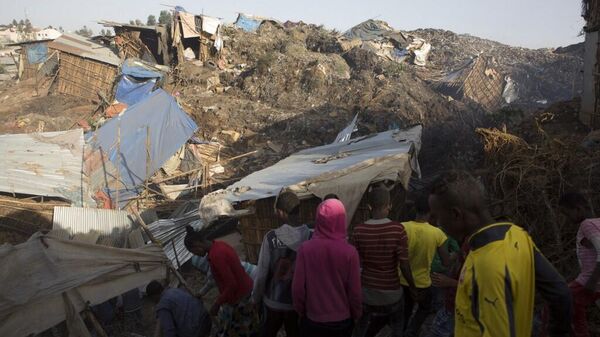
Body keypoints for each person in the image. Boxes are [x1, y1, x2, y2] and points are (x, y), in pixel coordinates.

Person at [428, 171, 572, 337]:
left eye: (437, 217)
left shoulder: (486, 266)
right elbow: (560, 293)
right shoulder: (516, 234)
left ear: (456, 215)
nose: (436, 223)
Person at [351, 186, 418, 337]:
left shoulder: (358, 230)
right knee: (397, 326)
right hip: (392, 293)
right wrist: (413, 287)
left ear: (369, 207)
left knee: (360, 328)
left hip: (367, 293)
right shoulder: (398, 229)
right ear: (390, 205)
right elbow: (404, 264)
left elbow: (355, 264)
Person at [292, 198, 362, 337]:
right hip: (342, 321)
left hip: (313, 320)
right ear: (342, 219)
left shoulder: (305, 250)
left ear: (318, 219)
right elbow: (355, 291)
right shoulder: (350, 252)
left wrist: (301, 312)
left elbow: (298, 288)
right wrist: (356, 314)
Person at [253, 191, 312, 337]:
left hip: (274, 301)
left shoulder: (271, 238)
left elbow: (261, 274)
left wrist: (256, 299)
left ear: (280, 212)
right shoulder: (311, 236)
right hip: (299, 303)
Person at [184, 226, 259, 337]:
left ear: (197, 244)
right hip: (242, 293)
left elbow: (231, 284)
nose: (195, 254)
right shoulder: (219, 245)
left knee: (236, 330)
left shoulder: (216, 255)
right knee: (244, 328)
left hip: (239, 297)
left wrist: (217, 304)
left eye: (193, 251)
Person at [400, 193, 451, 337]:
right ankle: (411, 331)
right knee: (424, 308)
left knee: (406, 310)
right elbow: (446, 262)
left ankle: (402, 331)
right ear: (431, 211)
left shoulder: (402, 228)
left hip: (402, 280)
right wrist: (457, 254)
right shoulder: (438, 233)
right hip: (423, 283)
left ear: (415, 208)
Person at [559, 192, 600, 337]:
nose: (567, 218)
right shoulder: (598, 223)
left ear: (578, 209)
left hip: (590, 281)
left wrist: (592, 282)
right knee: (577, 309)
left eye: (567, 213)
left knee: (558, 299)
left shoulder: (586, 225)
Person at [146, 280, 212, 337]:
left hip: (196, 330)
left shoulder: (162, 305)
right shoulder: (175, 290)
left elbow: (169, 331)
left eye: (151, 299)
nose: (152, 301)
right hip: (206, 319)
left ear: (153, 296)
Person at [191, 254, 257, 298]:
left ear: (201, 267)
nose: (199, 272)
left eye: (199, 269)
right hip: (254, 269)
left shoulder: (212, 273)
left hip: (253, 280)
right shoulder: (216, 260)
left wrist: (199, 294)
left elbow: (209, 285)